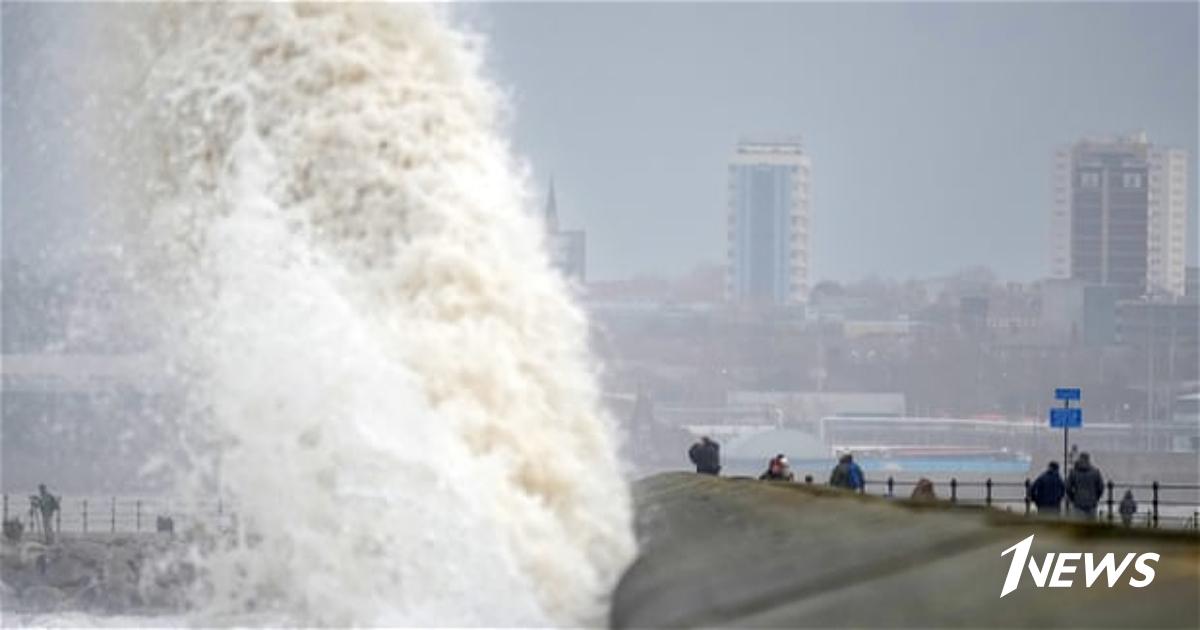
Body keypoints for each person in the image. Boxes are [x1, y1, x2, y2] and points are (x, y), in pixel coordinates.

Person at [1065, 452, 1105, 520]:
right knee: (1091, 527)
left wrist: (1073, 498)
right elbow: (1101, 487)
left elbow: (1068, 487)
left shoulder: (1073, 472)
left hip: (1078, 503)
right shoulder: (1095, 472)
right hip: (1092, 503)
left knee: (1079, 526)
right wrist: (1096, 497)